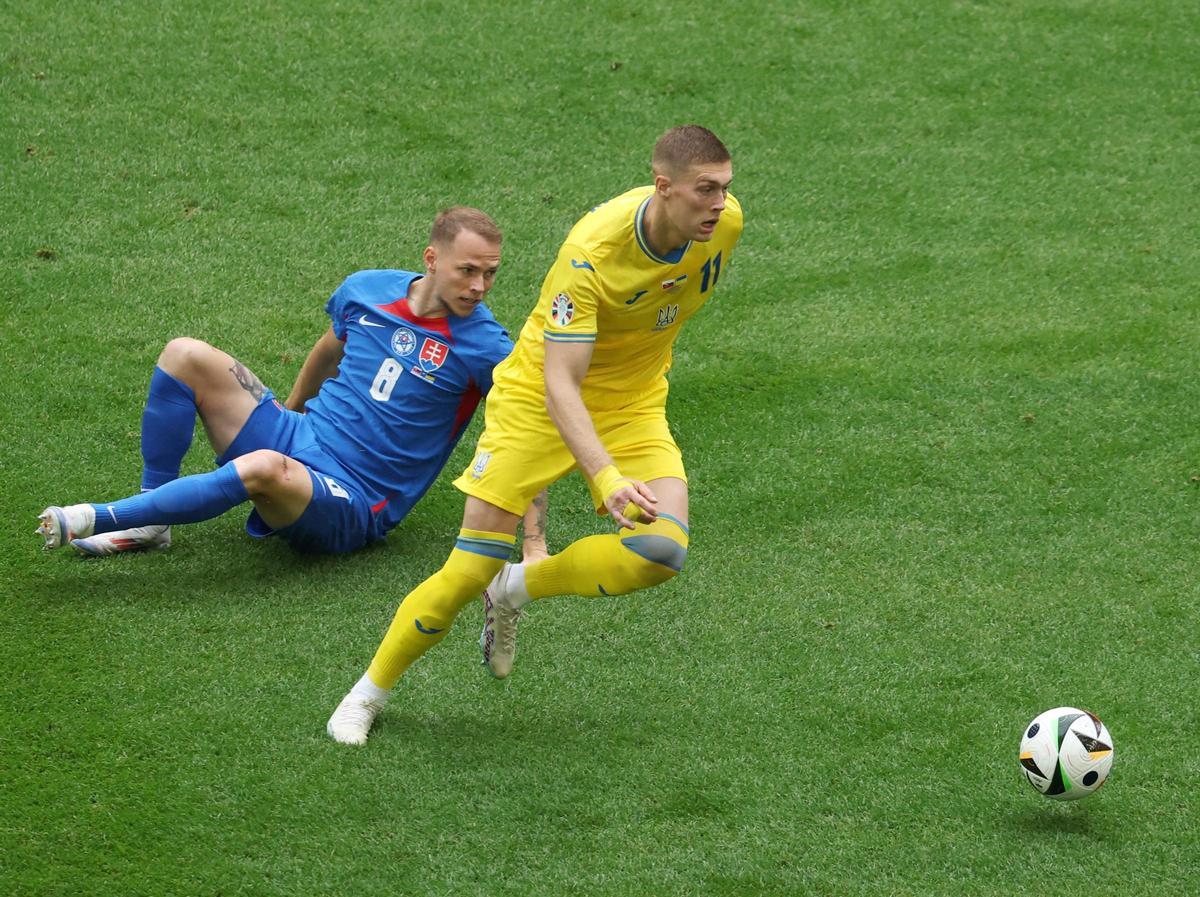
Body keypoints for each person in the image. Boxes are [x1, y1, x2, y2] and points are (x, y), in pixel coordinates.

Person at [327, 125, 743, 745]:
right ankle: (366, 694)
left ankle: (517, 587)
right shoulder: (591, 254)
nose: (719, 204)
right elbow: (560, 384)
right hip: (539, 403)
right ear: (663, 187)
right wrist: (606, 476)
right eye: (705, 190)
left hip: (632, 404)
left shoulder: (725, 225)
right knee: (469, 568)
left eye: (725, 188)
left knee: (660, 552)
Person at [36, 207, 548, 561]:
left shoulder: (486, 347)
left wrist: (533, 543)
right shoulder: (366, 291)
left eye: (490, 273)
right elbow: (329, 348)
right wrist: (293, 407)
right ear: (431, 260)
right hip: (300, 437)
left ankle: (97, 517)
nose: (479, 287)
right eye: (467, 271)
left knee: (263, 466)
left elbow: (527, 432)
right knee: (184, 354)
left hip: (356, 497)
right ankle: (151, 520)